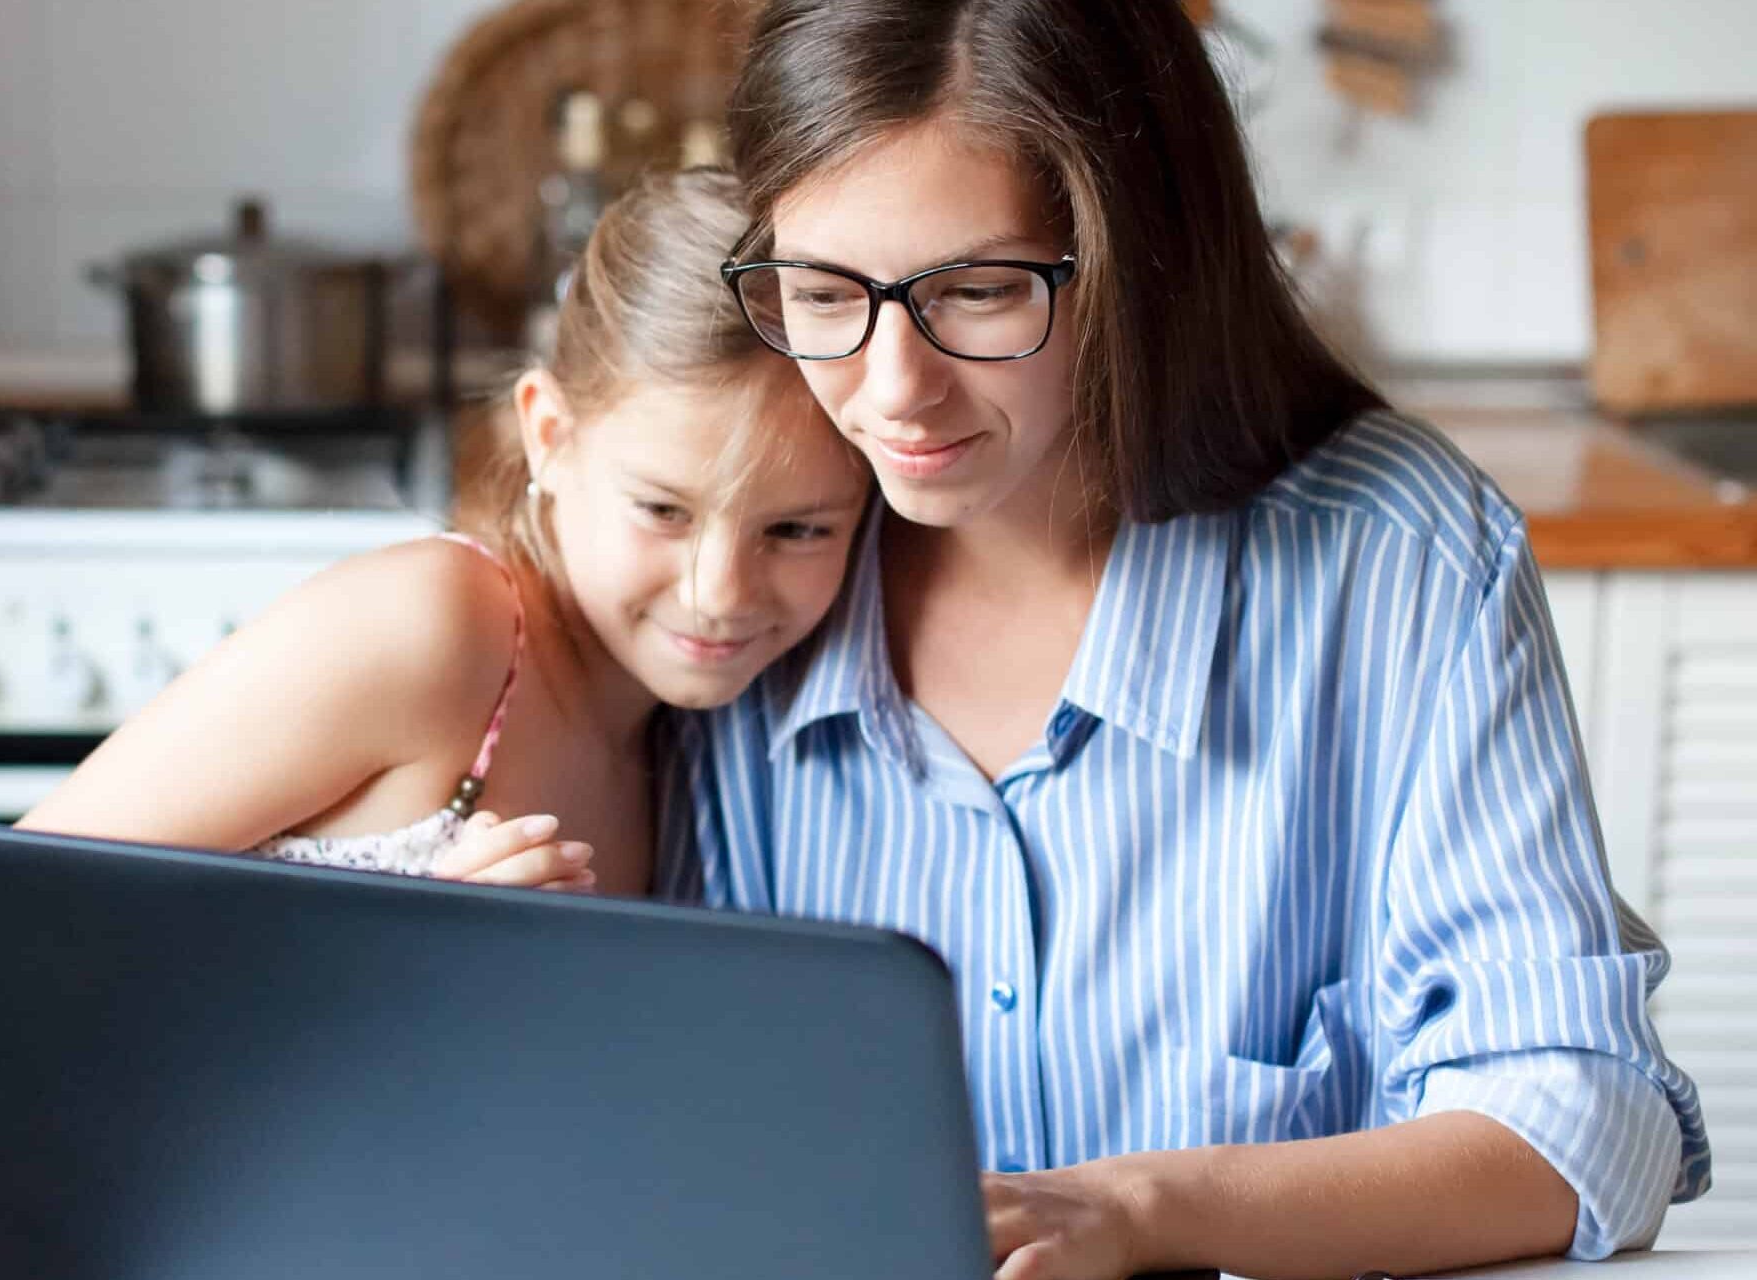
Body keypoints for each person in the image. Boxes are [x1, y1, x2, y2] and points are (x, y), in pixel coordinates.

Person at [656, 2, 1711, 1278]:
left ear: (1139, 259)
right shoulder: (723, 567)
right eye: (822, 292)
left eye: (980, 292)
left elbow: (1578, 1122)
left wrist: (1137, 1209)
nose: (891, 391)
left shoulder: (1395, 558)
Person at [0, 169, 874, 1279]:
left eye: (797, 528)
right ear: (548, 433)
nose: (719, 591)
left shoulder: (686, 748)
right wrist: (394, 972)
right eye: (662, 508)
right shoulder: (441, 630)